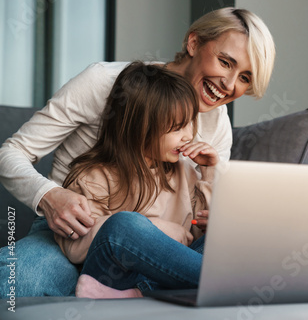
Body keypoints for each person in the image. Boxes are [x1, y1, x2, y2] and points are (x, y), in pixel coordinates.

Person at [0, 7, 275, 297]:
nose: (230, 85)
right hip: (72, 227)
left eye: (245, 78)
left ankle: (134, 293)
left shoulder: (217, 123)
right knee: (21, 280)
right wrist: (49, 196)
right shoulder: (106, 83)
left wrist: (221, 211)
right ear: (193, 43)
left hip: (165, 251)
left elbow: (206, 217)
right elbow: (10, 153)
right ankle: (238, 285)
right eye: (225, 62)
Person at [56, 61, 216, 298]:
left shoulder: (185, 171)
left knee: (223, 237)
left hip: (165, 277)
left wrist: (209, 172)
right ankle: (233, 285)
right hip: (115, 275)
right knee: (124, 225)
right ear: (140, 128)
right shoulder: (94, 176)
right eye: (177, 128)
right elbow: (74, 248)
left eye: (189, 125)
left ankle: (142, 294)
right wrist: (156, 229)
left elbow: (202, 238)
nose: (188, 136)